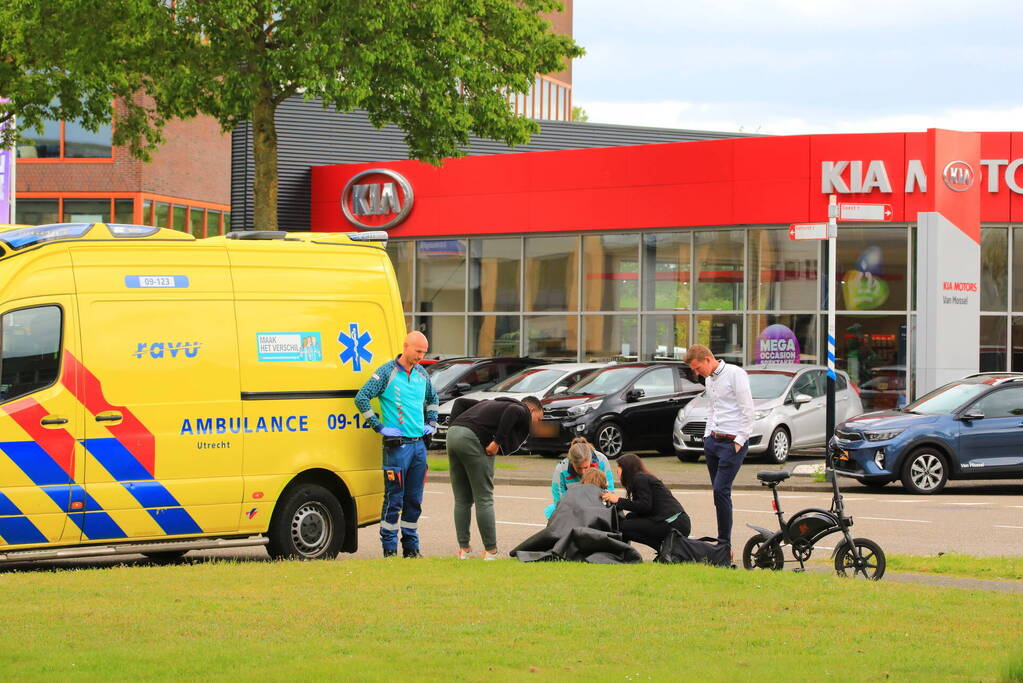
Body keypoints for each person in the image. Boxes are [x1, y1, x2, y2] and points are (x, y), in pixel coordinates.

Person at [355, 331, 438, 558]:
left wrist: (432, 421)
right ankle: (389, 549)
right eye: (418, 351)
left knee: (414, 500)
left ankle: (411, 548)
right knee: (394, 499)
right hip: (397, 448)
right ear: (405, 346)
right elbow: (362, 397)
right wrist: (378, 426)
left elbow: (433, 398)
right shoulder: (387, 372)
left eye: (424, 352)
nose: (421, 356)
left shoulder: (421, 373)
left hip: (418, 446)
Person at [446, 395, 544, 560]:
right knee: (484, 498)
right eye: (538, 419)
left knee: (462, 499)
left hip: (453, 436)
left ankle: (464, 550)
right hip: (473, 439)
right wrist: (497, 442)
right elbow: (514, 411)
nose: (537, 423)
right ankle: (490, 551)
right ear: (532, 409)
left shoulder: (490, 403)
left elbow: (460, 402)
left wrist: (453, 429)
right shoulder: (521, 409)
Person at [684, 343, 754, 544]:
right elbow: (713, 408)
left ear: (707, 359)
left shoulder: (735, 374)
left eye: (698, 368)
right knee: (718, 494)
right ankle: (722, 541)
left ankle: (724, 543)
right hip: (713, 441)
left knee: (721, 490)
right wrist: (707, 437)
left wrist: (739, 441)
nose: (697, 373)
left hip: (732, 442)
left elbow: (748, 409)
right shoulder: (709, 380)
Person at [601, 453, 691, 551]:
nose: (617, 472)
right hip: (676, 522)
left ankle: (664, 550)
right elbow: (643, 509)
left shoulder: (640, 479)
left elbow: (644, 506)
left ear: (626, 468)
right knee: (630, 518)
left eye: (618, 468)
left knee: (621, 527)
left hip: (673, 523)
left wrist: (618, 500)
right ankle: (664, 550)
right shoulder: (642, 478)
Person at [544, 437, 616, 519]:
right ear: (571, 462)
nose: (583, 472)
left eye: (586, 467)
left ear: (590, 460)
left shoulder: (602, 460)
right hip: (572, 508)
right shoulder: (561, 469)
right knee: (554, 513)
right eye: (578, 468)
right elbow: (559, 501)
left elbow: (610, 491)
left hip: (597, 505)